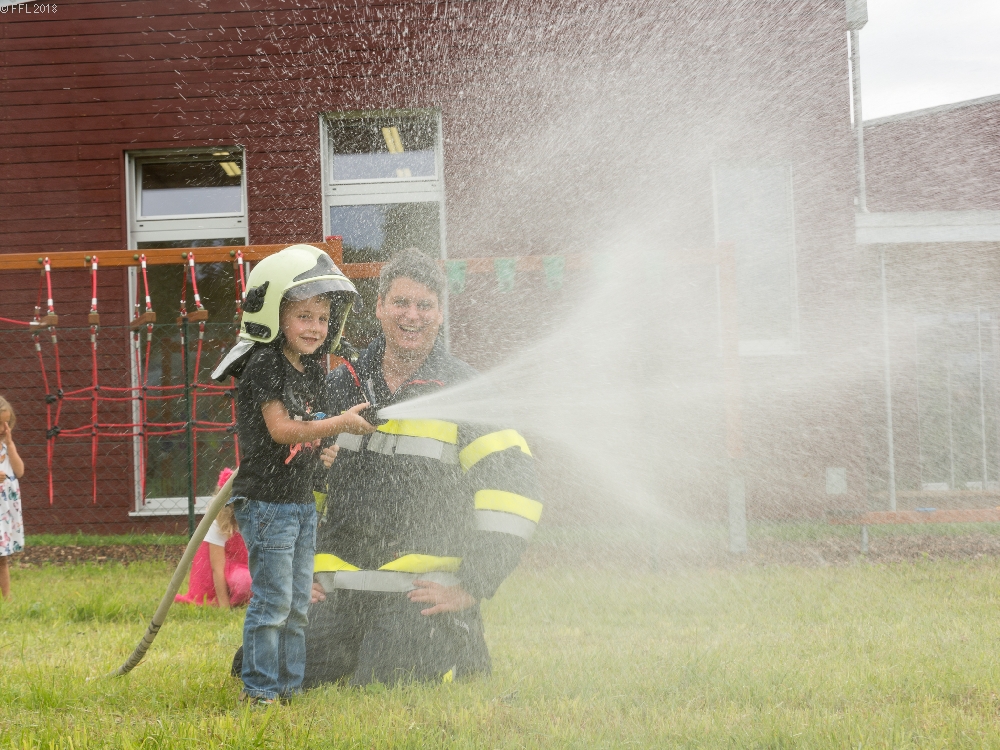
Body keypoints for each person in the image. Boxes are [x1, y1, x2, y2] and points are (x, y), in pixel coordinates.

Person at [304, 248, 543, 687]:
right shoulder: (341, 386)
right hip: (340, 592)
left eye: (424, 305)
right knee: (271, 665)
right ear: (379, 306)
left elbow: (515, 494)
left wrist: (472, 584)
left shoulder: (467, 394)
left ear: (440, 314)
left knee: (383, 682)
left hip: (419, 596)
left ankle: (454, 643)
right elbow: (302, 486)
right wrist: (299, 570)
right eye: (400, 302)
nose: (411, 315)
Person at [211, 244, 375, 705]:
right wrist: (339, 423)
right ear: (274, 313)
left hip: (300, 504)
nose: (315, 327)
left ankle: (288, 688)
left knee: (298, 604)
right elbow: (282, 430)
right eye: (304, 316)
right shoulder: (265, 363)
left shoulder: (312, 367)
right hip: (268, 505)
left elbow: (307, 430)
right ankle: (259, 690)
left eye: (322, 318)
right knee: (273, 602)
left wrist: (324, 451)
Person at [175, 468, 252, 609]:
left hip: (242, 567)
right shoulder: (218, 522)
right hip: (218, 578)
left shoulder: (254, 517)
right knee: (244, 581)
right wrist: (224, 605)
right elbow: (217, 568)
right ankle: (233, 598)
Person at [0, 395, 25, 601]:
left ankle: (7, 600)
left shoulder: (7, 447)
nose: (3, 429)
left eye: (6, 423)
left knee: (2, 558)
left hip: (4, 512)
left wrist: (10, 444)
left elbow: (19, 471)